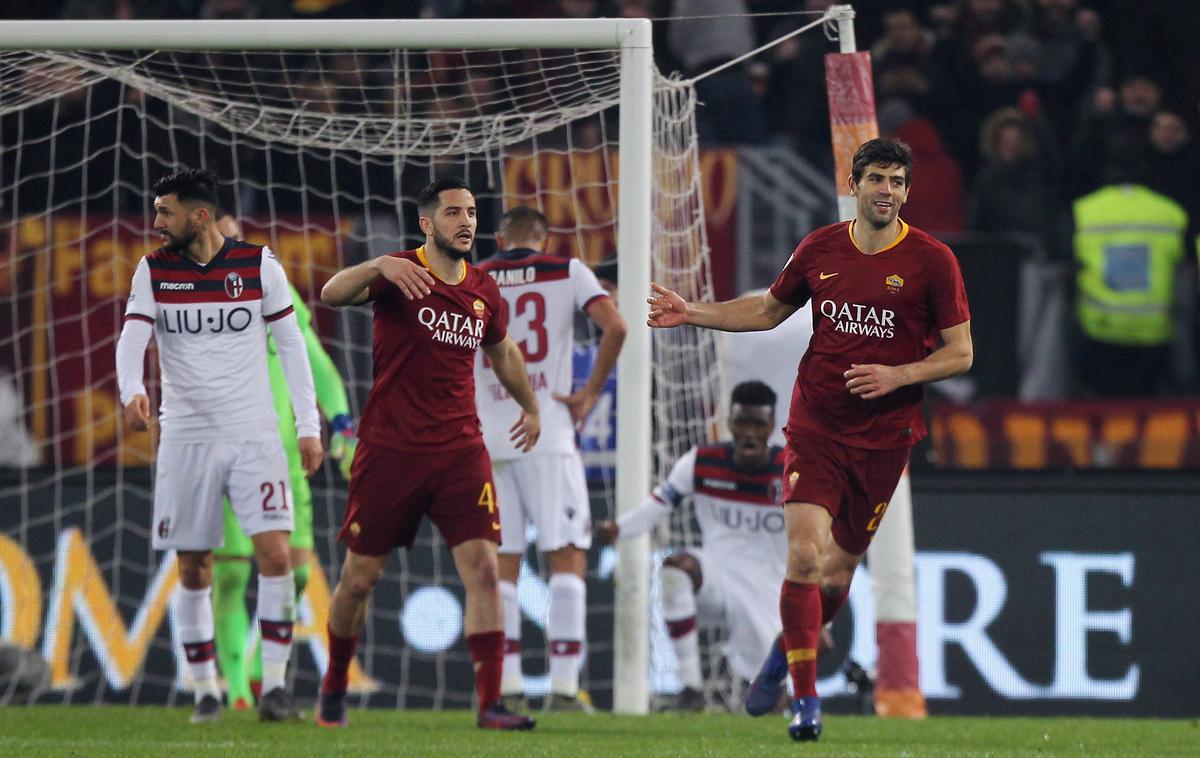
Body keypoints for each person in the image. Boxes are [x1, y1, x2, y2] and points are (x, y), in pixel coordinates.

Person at [646, 138, 973, 742]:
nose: (888, 191)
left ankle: (781, 657)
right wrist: (691, 311)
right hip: (815, 427)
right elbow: (768, 312)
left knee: (836, 574)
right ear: (854, 184)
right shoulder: (820, 248)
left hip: (885, 439)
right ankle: (804, 701)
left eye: (898, 182)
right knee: (803, 557)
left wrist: (898, 375)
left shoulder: (932, 260)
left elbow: (961, 353)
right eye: (877, 178)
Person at [316, 177, 541, 731]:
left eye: (470, 212)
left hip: (461, 449)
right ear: (427, 223)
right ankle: (334, 682)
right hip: (390, 451)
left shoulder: (483, 288)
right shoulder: (399, 272)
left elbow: (503, 350)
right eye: (453, 213)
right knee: (359, 579)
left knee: (486, 570)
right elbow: (330, 294)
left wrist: (531, 407)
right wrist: (376, 267)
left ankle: (489, 704)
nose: (466, 221)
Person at [116, 168, 323, 724]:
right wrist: (132, 391)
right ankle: (205, 688)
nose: (157, 222)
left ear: (199, 216)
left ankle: (276, 687)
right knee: (194, 567)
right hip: (186, 437)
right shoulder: (153, 270)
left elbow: (295, 349)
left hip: (255, 436)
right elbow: (132, 337)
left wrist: (308, 425)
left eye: (166, 212)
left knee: (277, 556)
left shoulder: (259, 266)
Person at [474, 207, 626, 713]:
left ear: (498, 237)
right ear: (544, 238)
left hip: (489, 437)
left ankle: (509, 685)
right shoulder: (567, 270)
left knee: (504, 566)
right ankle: (563, 689)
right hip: (549, 432)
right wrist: (587, 393)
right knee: (566, 557)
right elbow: (616, 327)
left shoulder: (475, 277)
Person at [209, 210, 358, 710]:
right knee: (230, 573)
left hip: (284, 455)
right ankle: (234, 690)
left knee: (294, 572)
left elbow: (317, 362)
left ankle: (258, 672)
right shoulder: (188, 293)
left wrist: (341, 423)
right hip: (223, 449)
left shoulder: (273, 286)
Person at [594, 380, 786, 712]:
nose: (750, 432)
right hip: (718, 574)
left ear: (771, 426)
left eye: (758, 423)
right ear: (730, 423)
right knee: (675, 569)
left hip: (771, 587)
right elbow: (658, 504)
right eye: (742, 422)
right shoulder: (702, 461)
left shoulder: (792, 470)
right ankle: (691, 688)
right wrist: (618, 530)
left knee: (771, 701)